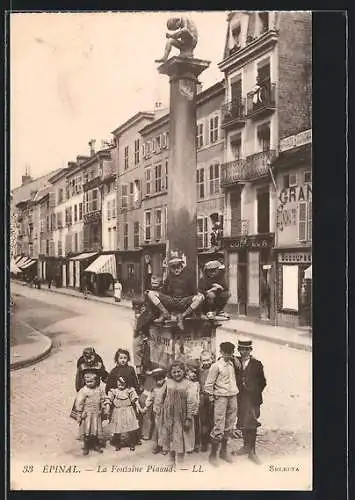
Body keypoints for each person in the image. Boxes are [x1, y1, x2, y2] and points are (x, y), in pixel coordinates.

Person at [146, 257, 204, 331]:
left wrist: (192, 298)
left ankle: (182, 317)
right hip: (172, 300)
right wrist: (157, 290)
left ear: (181, 267)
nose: (176, 270)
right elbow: (164, 291)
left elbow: (194, 292)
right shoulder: (169, 277)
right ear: (170, 268)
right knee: (150, 293)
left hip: (184, 301)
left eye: (178, 267)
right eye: (173, 268)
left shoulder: (189, 277)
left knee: (200, 297)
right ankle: (165, 313)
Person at [204, 341, 239, 466]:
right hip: (221, 397)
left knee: (229, 424)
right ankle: (213, 455)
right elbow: (208, 384)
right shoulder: (216, 366)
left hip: (233, 396)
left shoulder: (233, 364)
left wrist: (234, 359)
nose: (228, 355)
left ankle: (223, 452)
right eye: (226, 352)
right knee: (219, 424)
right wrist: (212, 398)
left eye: (230, 353)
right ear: (221, 352)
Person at [157, 361, 198, 466]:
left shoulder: (189, 384)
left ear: (183, 371)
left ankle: (180, 461)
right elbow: (160, 395)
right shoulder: (168, 382)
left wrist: (189, 417)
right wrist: (158, 407)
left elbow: (192, 401)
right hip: (168, 415)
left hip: (182, 416)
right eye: (174, 372)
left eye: (179, 371)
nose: (176, 374)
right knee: (169, 436)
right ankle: (171, 460)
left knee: (180, 438)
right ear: (170, 373)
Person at [233, 338, 266, 464]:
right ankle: (245, 446)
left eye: (246, 349)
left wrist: (252, 390)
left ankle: (252, 451)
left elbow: (262, 382)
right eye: (241, 349)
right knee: (242, 421)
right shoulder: (235, 362)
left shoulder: (257, 364)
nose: (244, 352)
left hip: (252, 398)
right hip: (240, 397)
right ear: (239, 350)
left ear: (250, 350)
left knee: (252, 422)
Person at [70, 371, 106, 455]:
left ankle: (95, 444)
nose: (89, 383)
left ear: (96, 381)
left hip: (96, 413)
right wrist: (80, 413)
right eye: (87, 382)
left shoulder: (99, 389)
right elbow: (79, 402)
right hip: (87, 414)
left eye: (91, 381)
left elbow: (102, 399)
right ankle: (86, 446)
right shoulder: (83, 391)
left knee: (95, 429)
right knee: (87, 429)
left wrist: (103, 406)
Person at [104, 376, 144, 452]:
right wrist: (107, 408)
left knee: (131, 428)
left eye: (123, 383)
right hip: (117, 411)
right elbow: (109, 400)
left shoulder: (129, 390)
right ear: (116, 383)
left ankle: (132, 443)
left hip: (128, 410)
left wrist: (140, 409)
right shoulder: (113, 391)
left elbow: (135, 400)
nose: (121, 385)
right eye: (119, 383)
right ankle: (118, 443)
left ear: (126, 383)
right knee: (117, 428)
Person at [144, 368, 167, 454]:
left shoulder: (166, 386)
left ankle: (165, 446)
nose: (159, 381)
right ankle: (158, 445)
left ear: (164, 378)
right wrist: (146, 406)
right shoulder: (154, 388)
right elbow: (150, 398)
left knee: (165, 429)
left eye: (161, 379)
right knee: (157, 428)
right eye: (157, 379)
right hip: (157, 411)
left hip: (166, 411)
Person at [198, 350, 215, 452]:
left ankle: (213, 441)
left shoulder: (215, 369)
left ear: (212, 359)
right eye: (204, 360)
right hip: (203, 397)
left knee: (212, 419)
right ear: (201, 361)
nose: (206, 362)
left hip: (213, 397)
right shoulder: (199, 371)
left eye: (208, 360)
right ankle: (204, 442)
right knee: (204, 420)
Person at [186, 363, 201, 452]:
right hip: (188, 408)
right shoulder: (185, 384)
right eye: (192, 372)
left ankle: (196, 444)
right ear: (187, 372)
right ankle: (189, 446)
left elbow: (197, 395)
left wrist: (197, 407)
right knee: (188, 427)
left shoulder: (196, 384)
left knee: (196, 427)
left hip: (196, 408)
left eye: (195, 373)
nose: (194, 374)